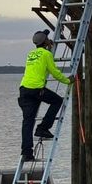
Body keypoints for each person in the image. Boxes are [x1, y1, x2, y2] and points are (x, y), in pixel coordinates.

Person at [19, 30, 72, 160]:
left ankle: (27, 153)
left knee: (27, 122)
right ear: (45, 41)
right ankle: (43, 128)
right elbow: (54, 72)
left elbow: (39, 63)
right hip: (37, 89)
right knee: (57, 101)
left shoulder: (30, 54)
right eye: (48, 39)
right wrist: (68, 80)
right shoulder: (47, 54)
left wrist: (48, 46)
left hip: (24, 89)